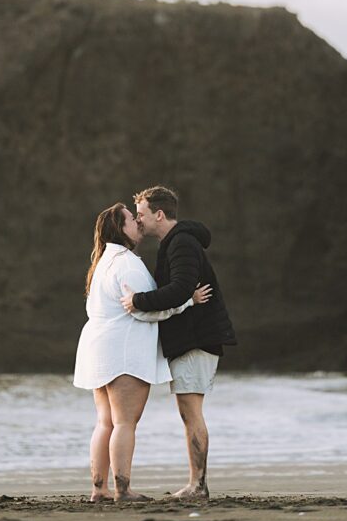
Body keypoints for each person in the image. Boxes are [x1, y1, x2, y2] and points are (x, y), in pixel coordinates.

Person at [73, 202, 211, 503]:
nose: (137, 222)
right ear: (120, 230)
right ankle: (123, 489)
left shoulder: (102, 263)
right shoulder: (127, 264)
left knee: (105, 422)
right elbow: (146, 311)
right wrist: (188, 302)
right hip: (123, 351)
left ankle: (99, 489)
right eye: (130, 220)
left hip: (96, 349)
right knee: (124, 422)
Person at [120, 185, 236, 500]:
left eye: (142, 214)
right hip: (192, 338)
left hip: (197, 339)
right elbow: (184, 291)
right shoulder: (177, 242)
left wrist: (137, 300)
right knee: (189, 411)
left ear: (159, 214)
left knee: (191, 412)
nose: (139, 221)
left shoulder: (181, 243)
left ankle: (197, 485)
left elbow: (181, 288)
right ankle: (197, 483)